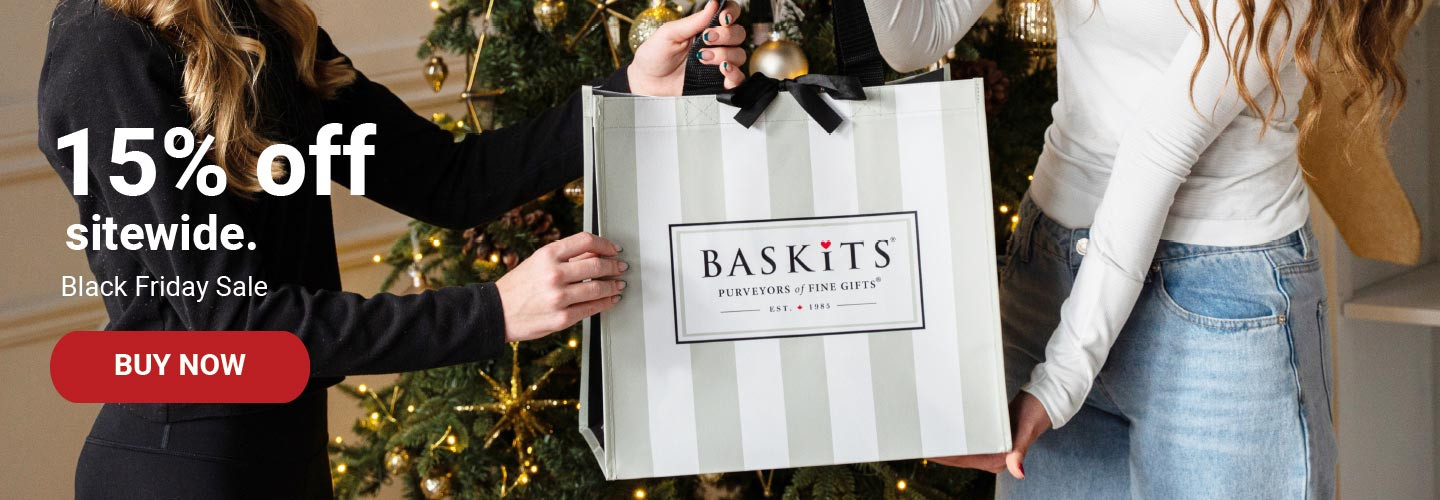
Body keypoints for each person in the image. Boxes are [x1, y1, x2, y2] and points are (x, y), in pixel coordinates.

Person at [37, 0, 747, 497]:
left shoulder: (259, 20)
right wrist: (491, 311)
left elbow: (449, 180)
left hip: (288, 461)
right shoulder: (104, 43)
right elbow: (235, 328)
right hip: (176, 471)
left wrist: (631, 91)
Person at [859, 0, 1423, 498]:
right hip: (1053, 272)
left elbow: (1158, 149)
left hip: (1218, 306)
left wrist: (1059, 380)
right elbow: (915, 37)